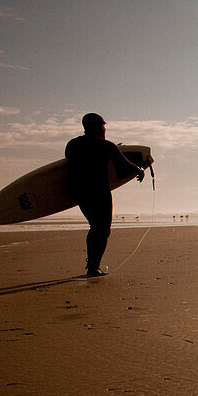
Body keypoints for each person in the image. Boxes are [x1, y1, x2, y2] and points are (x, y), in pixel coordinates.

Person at [65, 113, 145, 277]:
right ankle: (93, 267)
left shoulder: (72, 144)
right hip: (99, 192)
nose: (104, 129)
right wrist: (140, 170)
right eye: (103, 126)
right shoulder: (106, 146)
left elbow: (66, 166)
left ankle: (92, 265)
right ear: (97, 127)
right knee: (102, 229)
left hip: (80, 192)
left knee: (95, 226)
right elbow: (124, 165)